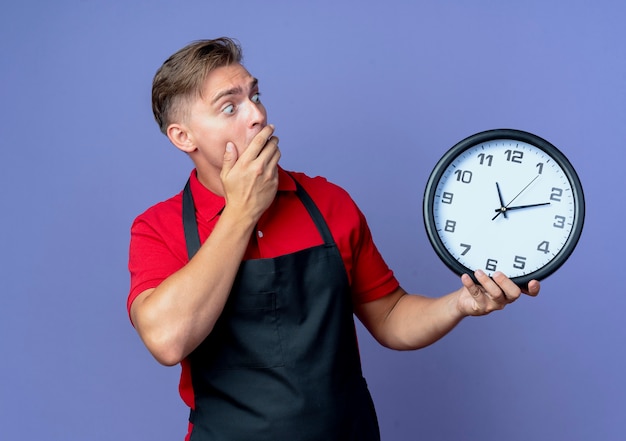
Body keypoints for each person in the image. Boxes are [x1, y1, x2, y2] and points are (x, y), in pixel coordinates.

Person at [127, 37, 540, 441]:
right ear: (184, 138)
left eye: (256, 95)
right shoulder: (157, 229)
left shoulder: (327, 202)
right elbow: (167, 341)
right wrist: (242, 212)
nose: (256, 114)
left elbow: (392, 316)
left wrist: (462, 304)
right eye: (229, 106)